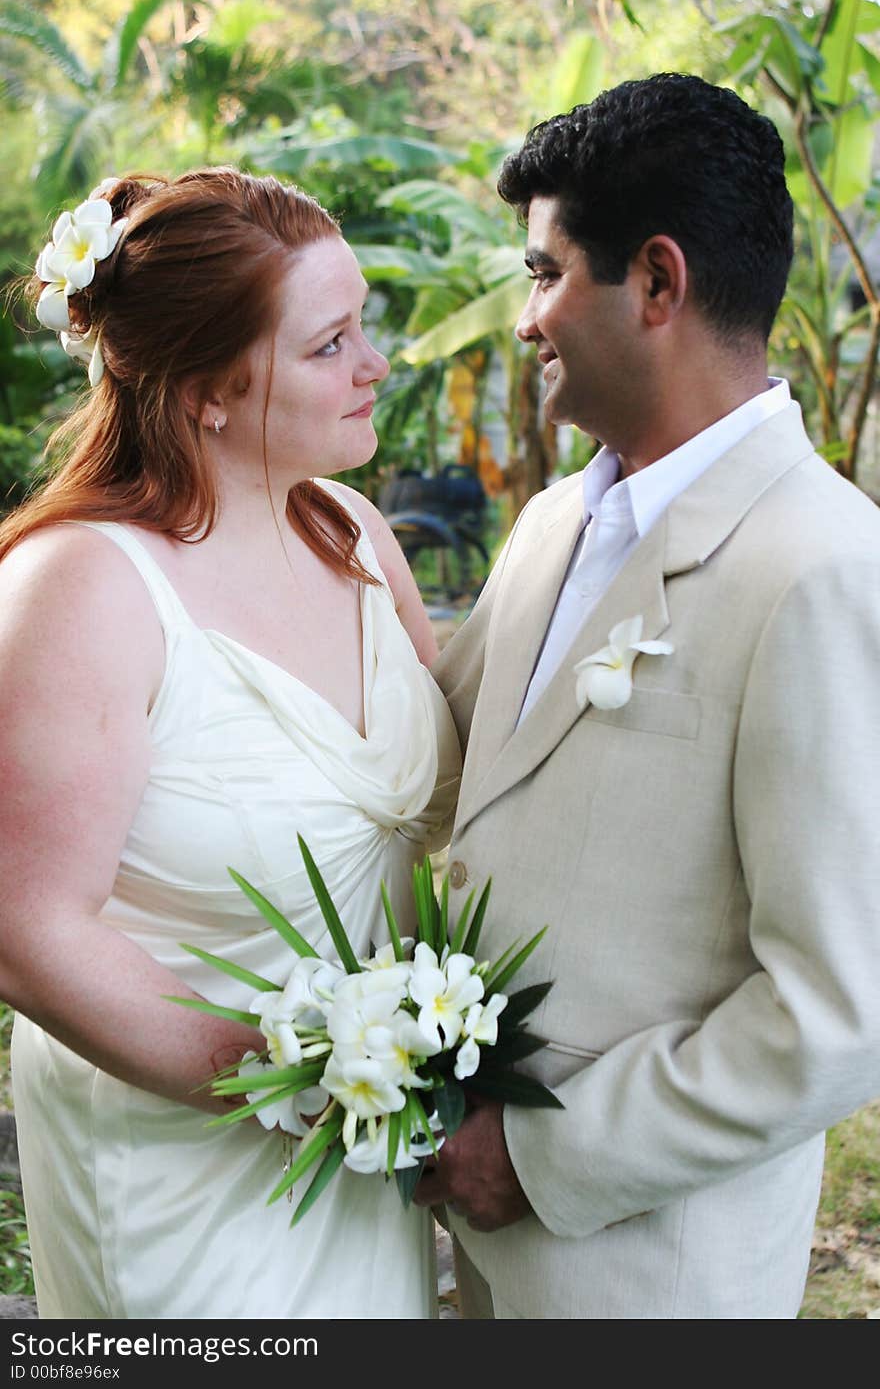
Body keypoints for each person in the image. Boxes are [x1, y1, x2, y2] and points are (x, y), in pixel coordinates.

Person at [415, 73, 880, 1318]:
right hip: (458, 1240)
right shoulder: (556, 518)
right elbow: (441, 764)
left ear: (656, 283)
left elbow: (834, 1009)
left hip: (648, 1267)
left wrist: (542, 1153)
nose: (525, 321)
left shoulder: (825, 570)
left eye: (542, 274)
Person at [0, 168, 460, 1319]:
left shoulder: (349, 529)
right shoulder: (82, 588)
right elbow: (26, 928)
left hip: (366, 1142)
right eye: (329, 343)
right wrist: (291, 1078)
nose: (376, 364)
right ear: (210, 385)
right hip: (180, 1161)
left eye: (368, 327)